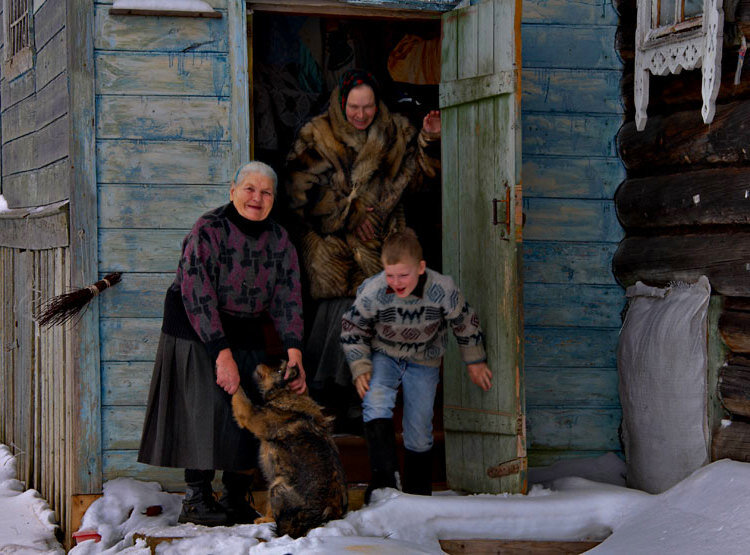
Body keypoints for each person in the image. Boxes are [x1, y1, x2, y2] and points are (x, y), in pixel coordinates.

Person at [138, 161, 306, 526]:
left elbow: (288, 295)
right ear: (233, 192)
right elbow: (197, 294)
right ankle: (197, 499)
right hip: (195, 326)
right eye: (249, 189)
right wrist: (221, 354)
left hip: (245, 326)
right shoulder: (209, 229)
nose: (256, 198)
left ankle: (233, 497)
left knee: (247, 409)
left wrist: (294, 349)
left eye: (265, 192)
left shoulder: (279, 239)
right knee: (204, 408)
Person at [285, 69, 441, 422]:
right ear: (342, 103)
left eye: (367, 107)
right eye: (354, 107)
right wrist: (350, 214)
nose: (360, 114)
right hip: (333, 245)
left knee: (377, 312)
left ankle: (366, 400)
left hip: (381, 243)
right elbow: (296, 191)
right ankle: (329, 396)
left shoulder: (396, 132)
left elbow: (419, 177)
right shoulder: (318, 134)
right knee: (340, 311)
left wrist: (428, 140)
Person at [340, 228, 492, 502]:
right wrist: (360, 366)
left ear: (421, 268)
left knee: (420, 426)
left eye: (404, 275)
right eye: (390, 274)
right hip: (384, 353)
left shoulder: (442, 289)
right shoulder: (374, 290)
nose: (396, 282)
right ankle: (384, 481)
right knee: (375, 399)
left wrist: (475, 360)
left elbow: (464, 321)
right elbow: (353, 326)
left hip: (425, 357)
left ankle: (417, 493)